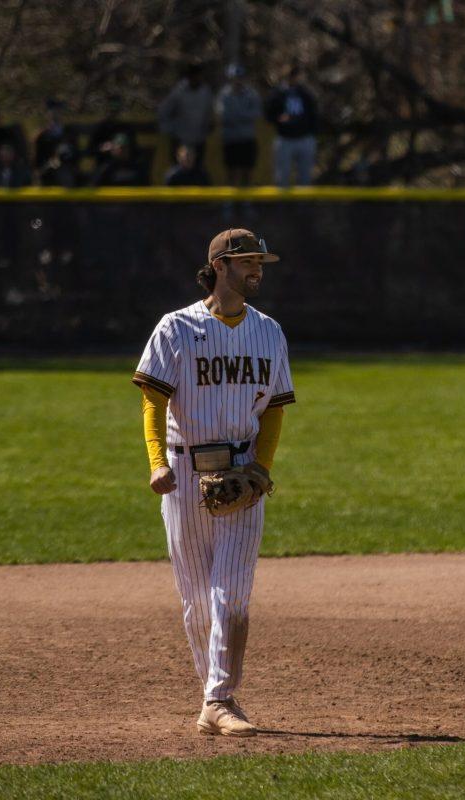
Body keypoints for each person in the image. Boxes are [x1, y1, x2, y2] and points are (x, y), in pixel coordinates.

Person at [132, 228, 295, 737]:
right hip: (183, 475)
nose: (258, 271)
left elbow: (273, 412)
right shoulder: (176, 328)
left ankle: (220, 697)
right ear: (220, 266)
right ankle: (213, 701)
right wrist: (156, 462)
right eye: (248, 262)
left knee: (232, 594)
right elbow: (152, 401)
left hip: (243, 474)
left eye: (260, 263)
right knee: (197, 600)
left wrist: (263, 468)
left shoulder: (269, 332)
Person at [264, 65, 318, 188]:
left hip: (304, 138)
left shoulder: (306, 93)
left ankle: (303, 206)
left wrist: (312, 133)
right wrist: (278, 119)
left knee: (305, 178)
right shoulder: (278, 93)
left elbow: (314, 114)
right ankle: (282, 206)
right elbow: (269, 114)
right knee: (282, 177)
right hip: (285, 139)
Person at [157, 62, 214, 166]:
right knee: (179, 169)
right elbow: (164, 110)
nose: (198, 78)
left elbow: (209, 112)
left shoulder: (205, 91)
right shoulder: (179, 91)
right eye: (195, 76)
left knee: (197, 170)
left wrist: (207, 126)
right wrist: (169, 129)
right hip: (180, 139)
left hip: (198, 139)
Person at [215, 63, 262, 187]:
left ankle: (246, 202)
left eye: (239, 77)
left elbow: (256, 113)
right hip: (230, 139)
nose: (237, 80)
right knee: (231, 172)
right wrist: (242, 115)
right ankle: (229, 203)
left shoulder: (251, 94)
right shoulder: (224, 95)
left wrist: (237, 114)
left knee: (247, 171)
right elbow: (222, 115)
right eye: (234, 77)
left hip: (247, 138)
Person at [34, 98, 79, 187]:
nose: (55, 114)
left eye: (58, 111)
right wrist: (50, 163)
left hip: (67, 173)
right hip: (48, 174)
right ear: (47, 114)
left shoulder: (70, 134)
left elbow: (76, 158)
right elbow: (37, 163)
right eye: (52, 111)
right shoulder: (42, 136)